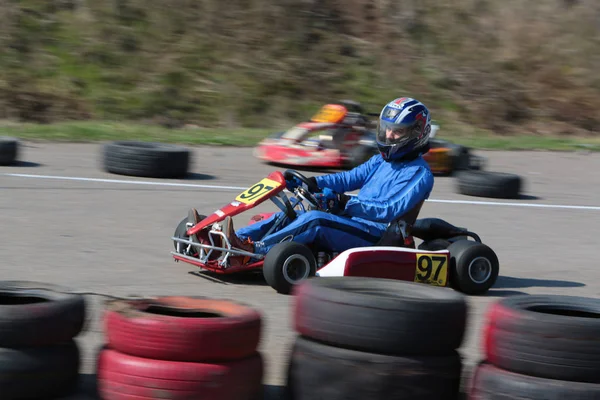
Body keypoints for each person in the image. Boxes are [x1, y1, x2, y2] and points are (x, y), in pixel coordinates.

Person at [189, 97, 435, 265]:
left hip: (379, 235)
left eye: (398, 131)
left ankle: (252, 251)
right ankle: (226, 240)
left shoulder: (421, 175)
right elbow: (350, 178)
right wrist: (313, 183)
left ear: (416, 133)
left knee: (315, 220)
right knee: (293, 209)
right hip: (355, 222)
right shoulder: (382, 160)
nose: (390, 135)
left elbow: (389, 210)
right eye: (388, 129)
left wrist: (343, 203)